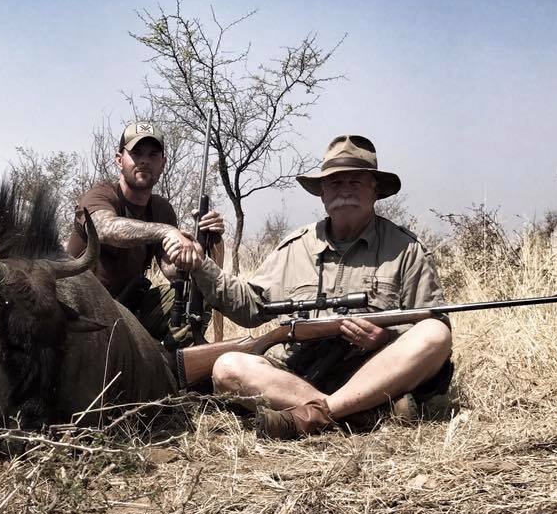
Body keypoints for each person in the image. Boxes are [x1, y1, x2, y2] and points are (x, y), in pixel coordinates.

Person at [177, 134, 453, 438]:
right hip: (299, 374)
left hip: (374, 371)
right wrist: (201, 263)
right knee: (228, 367)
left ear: (375, 191)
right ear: (322, 193)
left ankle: (320, 413)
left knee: (435, 333)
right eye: (335, 183)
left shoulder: (406, 249)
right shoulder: (294, 247)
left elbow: (431, 321)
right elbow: (249, 307)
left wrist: (385, 338)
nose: (345, 191)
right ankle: (359, 412)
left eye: (355, 183)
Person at [66, 121, 224, 348]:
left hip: (129, 310)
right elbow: (105, 228)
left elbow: (172, 271)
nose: (144, 161)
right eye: (136, 153)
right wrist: (167, 231)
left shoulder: (161, 209)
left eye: (153, 155)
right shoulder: (100, 195)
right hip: (83, 313)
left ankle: (176, 364)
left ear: (163, 164)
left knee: (196, 293)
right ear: (119, 159)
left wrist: (204, 244)